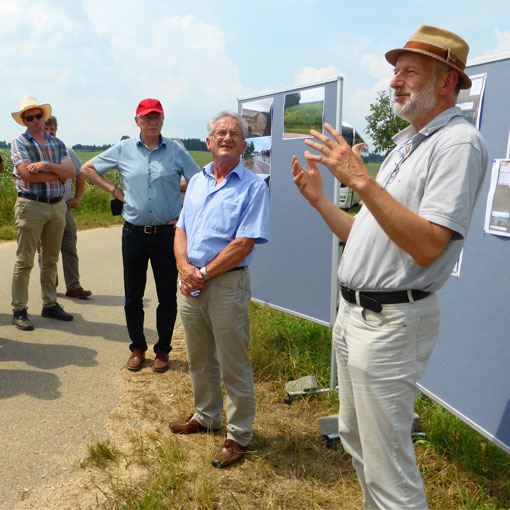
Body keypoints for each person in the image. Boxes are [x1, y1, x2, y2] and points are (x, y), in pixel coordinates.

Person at [292, 26, 488, 509]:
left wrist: (360, 179)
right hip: (356, 317)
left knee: (388, 464)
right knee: (359, 441)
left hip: (391, 323)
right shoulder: (408, 143)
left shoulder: (457, 145)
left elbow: (427, 245)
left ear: (447, 82)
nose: (395, 82)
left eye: (409, 72)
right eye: (395, 72)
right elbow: (366, 232)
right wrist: (321, 201)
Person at [170, 111, 269, 469]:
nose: (227, 137)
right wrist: (184, 268)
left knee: (233, 361)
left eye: (234, 134)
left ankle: (239, 434)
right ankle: (207, 415)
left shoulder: (254, 186)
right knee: (199, 357)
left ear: (243, 146)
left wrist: (204, 272)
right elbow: (181, 229)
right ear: (209, 142)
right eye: (220, 132)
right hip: (190, 281)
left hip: (225, 283)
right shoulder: (195, 182)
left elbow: (244, 243)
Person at [81, 98, 200, 373]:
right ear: (137, 121)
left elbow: (200, 182)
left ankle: (163, 351)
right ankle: (137, 347)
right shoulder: (123, 149)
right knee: (132, 295)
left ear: (163, 120)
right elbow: (87, 169)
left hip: (166, 234)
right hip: (133, 233)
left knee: (167, 296)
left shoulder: (176, 150)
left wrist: (186, 216)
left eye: (156, 117)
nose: (152, 122)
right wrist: (115, 191)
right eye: (146, 117)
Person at [10, 96, 76, 330]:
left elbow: (71, 172)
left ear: (44, 116)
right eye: (30, 117)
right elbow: (27, 175)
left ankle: (50, 304)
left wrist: (46, 166)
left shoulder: (56, 143)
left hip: (57, 205)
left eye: (39, 115)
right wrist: (59, 173)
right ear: (24, 121)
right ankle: (19, 309)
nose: (36, 120)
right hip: (31, 205)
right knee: (25, 260)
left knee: (50, 259)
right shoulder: (19, 142)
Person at [44, 115, 92, 299]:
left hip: (65, 206)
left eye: (52, 129)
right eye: (46, 129)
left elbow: (80, 174)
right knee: (46, 250)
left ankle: (73, 286)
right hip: (45, 206)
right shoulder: (38, 153)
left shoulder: (67, 151)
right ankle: (50, 287)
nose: (50, 133)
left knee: (69, 247)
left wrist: (78, 197)